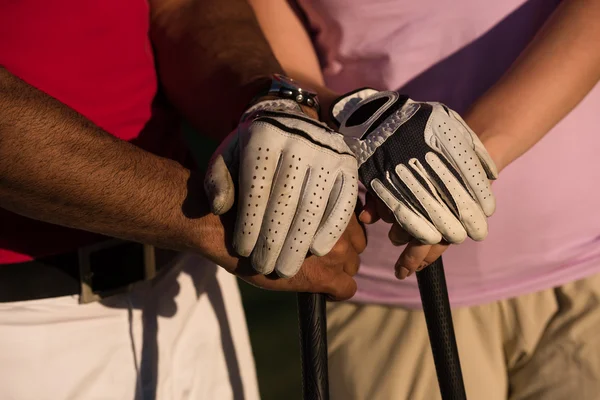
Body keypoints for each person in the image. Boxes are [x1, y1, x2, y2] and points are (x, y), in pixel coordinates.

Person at [0, 0, 367, 398]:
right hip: (22, 328)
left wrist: (267, 105)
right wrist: (212, 217)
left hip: (190, 288)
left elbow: (183, 7)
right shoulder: (210, 223)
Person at [250, 0, 600, 398]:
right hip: (390, 291)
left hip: (583, 268)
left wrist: (457, 159)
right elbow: (273, 49)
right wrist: (348, 113)